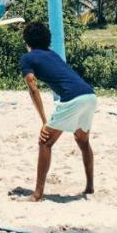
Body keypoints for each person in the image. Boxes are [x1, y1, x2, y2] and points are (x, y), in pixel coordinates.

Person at [19, 21, 96, 201]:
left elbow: (33, 86)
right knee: (82, 140)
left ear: (27, 41)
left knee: (45, 142)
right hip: (90, 96)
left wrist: (44, 121)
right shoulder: (52, 54)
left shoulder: (27, 58)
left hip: (73, 98)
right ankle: (90, 187)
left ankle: (37, 195)